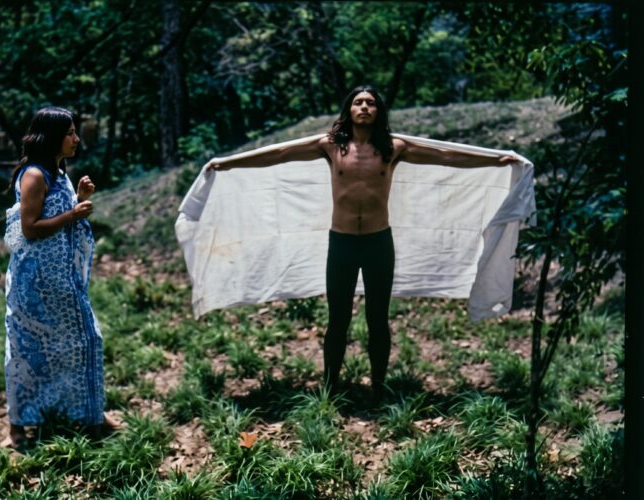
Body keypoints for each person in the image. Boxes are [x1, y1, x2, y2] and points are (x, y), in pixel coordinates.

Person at [205, 85, 518, 403]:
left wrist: (495, 160)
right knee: (337, 320)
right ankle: (329, 388)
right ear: (349, 110)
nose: (365, 107)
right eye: (358, 102)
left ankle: (378, 388)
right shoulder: (330, 146)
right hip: (341, 244)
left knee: (377, 319)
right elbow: (280, 153)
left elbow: (446, 155)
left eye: (371, 103)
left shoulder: (394, 148)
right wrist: (230, 162)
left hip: (378, 244)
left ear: (379, 111)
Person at [4, 106, 109, 447]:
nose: (77, 139)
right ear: (51, 137)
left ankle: (88, 414)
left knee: (82, 342)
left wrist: (79, 199)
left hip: (60, 278)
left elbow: (56, 215)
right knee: (28, 350)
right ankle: (20, 425)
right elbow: (31, 229)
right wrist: (73, 213)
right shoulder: (34, 175)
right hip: (36, 282)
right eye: (70, 133)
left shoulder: (57, 170)